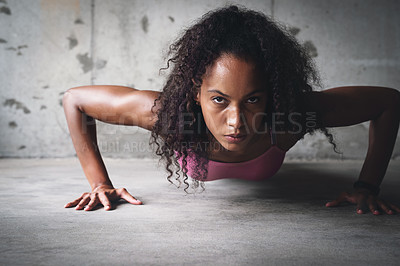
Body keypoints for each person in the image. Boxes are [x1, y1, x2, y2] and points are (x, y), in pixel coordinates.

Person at [62, 5, 400, 215]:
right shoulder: (167, 114)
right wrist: (99, 183)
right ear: (195, 91)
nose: (236, 123)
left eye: (253, 99)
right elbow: (75, 100)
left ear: (273, 95)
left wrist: (367, 187)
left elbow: (388, 102)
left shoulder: (289, 117)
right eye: (219, 100)